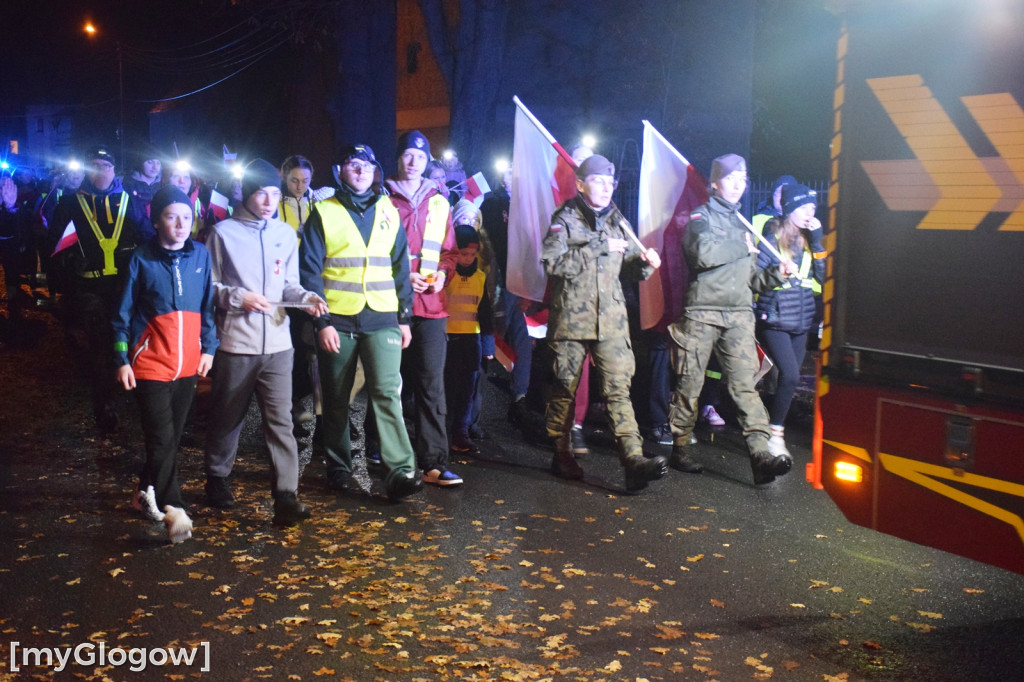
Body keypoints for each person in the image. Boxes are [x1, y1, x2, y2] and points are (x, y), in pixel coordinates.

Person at [203, 158, 328, 525]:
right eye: (261, 193)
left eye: (274, 193)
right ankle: (217, 476)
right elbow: (208, 286)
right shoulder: (222, 233)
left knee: (281, 421)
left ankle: (286, 495)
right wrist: (238, 297)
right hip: (236, 343)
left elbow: (288, 283)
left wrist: (306, 298)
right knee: (228, 415)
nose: (269, 201)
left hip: (278, 344)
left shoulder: (285, 234)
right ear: (246, 193)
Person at [299, 143, 423, 501]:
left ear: (375, 172)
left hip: (382, 316)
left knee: (387, 391)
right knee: (336, 396)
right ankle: (338, 466)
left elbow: (400, 266)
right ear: (340, 170)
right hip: (336, 319)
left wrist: (404, 317)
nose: (360, 171)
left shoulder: (388, 210)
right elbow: (309, 271)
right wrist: (321, 321)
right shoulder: (324, 212)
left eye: (366, 166)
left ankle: (401, 470)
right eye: (353, 165)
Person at [665, 154, 796, 485]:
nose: (739, 184)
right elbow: (701, 254)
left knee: (745, 386)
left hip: (738, 316)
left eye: (743, 178)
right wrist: (742, 247)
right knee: (690, 383)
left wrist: (775, 275)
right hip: (702, 313)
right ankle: (680, 447)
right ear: (715, 183)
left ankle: (761, 455)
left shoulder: (743, 224)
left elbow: (751, 280)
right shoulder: (700, 217)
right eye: (731, 178)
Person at [541, 154, 668, 492]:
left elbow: (629, 267)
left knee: (618, 389)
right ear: (581, 184)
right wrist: (597, 246)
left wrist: (646, 263)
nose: (605, 187)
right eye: (597, 181)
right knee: (564, 388)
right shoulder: (565, 218)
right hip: (571, 318)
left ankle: (633, 460)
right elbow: (552, 264)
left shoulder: (617, 220)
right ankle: (561, 452)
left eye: (610, 182)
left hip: (611, 319)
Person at [113, 186, 218, 543]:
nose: (181, 224)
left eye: (186, 217)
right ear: (156, 220)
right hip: (150, 365)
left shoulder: (200, 255)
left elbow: (207, 308)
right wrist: (122, 359)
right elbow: (122, 314)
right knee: (161, 437)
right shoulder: (140, 259)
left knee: (169, 440)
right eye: (171, 216)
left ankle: (143, 492)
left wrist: (209, 349)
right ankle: (175, 508)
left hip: (187, 364)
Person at [51, 145, 152, 432]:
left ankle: (133, 392)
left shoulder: (128, 201)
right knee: (101, 345)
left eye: (105, 166)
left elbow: (147, 236)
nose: (101, 171)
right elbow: (55, 247)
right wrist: (63, 284)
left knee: (130, 340)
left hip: (125, 287)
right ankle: (105, 404)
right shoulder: (70, 204)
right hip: (89, 288)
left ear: (114, 170)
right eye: (94, 166)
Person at [385, 130, 462, 487]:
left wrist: (443, 275)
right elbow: (373, 253)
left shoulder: (440, 203)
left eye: (420, 156)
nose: (413, 162)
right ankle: (389, 456)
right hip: (390, 305)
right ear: (398, 158)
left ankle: (433, 461)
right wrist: (404, 278)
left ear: (428, 161)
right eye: (407, 155)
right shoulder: (382, 199)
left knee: (432, 384)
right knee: (389, 385)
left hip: (431, 307)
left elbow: (449, 253)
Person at [755, 183, 826, 454]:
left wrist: (817, 242)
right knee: (791, 374)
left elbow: (824, 277)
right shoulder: (772, 237)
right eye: (804, 207)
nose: (810, 213)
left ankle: (771, 427)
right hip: (775, 319)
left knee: (790, 380)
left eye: (813, 208)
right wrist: (779, 273)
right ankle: (774, 436)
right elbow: (755, 277)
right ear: (790, 209)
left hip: (801, 321)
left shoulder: (810, 241)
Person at [444, 223, 494, 455]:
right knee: (447, 389)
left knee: (468, 390)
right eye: (463, 253)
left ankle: (461, 432)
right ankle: (443, 432)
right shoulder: (447, 276)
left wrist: (488, 345)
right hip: (447, 339)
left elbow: (485, 313)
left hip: (470, 341)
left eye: (472, 255)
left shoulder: (480, 278)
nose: (467, 259)